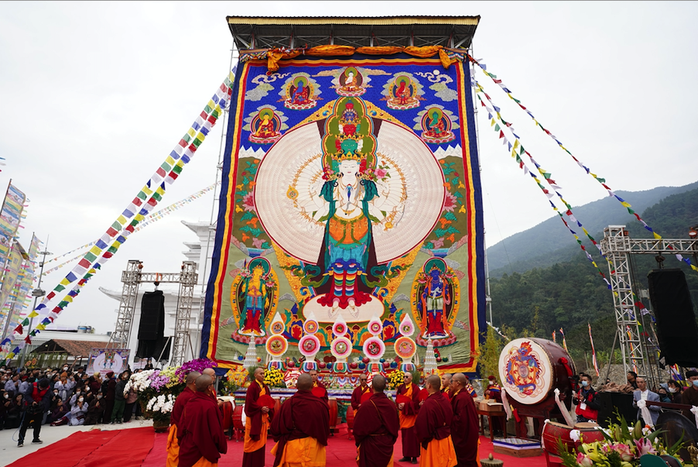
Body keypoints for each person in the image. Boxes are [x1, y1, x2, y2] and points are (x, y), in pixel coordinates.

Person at [270, 373, 330, 467]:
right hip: (313, 450)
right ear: (312, 386)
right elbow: (325, 429)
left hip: (293, 449)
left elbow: (275, 428)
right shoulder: (320, 405)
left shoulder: (288, 404)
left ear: (296, 386)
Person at [177, 375, 227, 467]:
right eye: (212, 384)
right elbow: (215, 431)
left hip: (188, 446)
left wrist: (182, 441)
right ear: (209, 388)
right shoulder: (209, 406)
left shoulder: (190, 402)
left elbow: (181, 426)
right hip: (204, 449)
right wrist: (220, 445)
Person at [353, 374, 399, 467]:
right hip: (386, 444)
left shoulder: (366, 405)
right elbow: (395, 426)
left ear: (372, 387)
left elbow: (357, 429)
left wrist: (359, 443)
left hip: (370, 446)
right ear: (385, 386)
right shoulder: (391, 405)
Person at [415, 375, 458, 467]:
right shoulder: (444, 400)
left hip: (434, 442)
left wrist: (422, 438)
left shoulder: (428, 403)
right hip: (446, 439)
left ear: (429, 385)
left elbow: (422, 426)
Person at [167, 371, 201, 467]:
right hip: (181, 433)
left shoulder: (187, 394)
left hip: (180, 430)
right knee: (179, 458)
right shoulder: (189, 397)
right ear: (194, 382)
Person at [243, 367, 273, 467]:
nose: (263, 375)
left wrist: (268, 408)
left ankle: (259, 464)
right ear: (255, 375)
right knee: (252, 441)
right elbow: (250, 402)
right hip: (254, 418)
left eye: (264, 373)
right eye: (261, 373)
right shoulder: (252, 387)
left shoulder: (265, 387)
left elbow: (268, 400)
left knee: (262, 439)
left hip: (262, 417)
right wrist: (260, 408)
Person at [449, 374, 479, 467]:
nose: (450, 384)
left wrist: (448, 418)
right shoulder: (461, 395)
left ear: (458, 383)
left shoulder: (462, 397)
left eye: (451, 381)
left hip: (465, 436)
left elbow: (460, 420)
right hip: (468, 433)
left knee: (464, 461)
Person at [18, 378, 52, 447]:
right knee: (25, 424)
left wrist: (42, 403)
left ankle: (36, 438)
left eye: (43, 388)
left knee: (38, 423)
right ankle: (20, 440)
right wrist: (32, 401)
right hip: (29, 406)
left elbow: (46, 397)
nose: (41, 389)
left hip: (39, 407)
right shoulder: (33, 385)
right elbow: (27, 395)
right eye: (40, 387)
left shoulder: (48, 388)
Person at [396, 372, 421, 464]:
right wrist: (399, 405)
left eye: (407, 377)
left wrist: (406, 405)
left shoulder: (415, 388)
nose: (405, 378)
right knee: (405, 437)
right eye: (404, 377)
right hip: (403, 415)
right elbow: (397, 399)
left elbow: (417, 403)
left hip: (412, 416)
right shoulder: (401, 387)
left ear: (411, 378)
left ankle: (414, 457)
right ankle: (406, 456)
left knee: (413, 437)